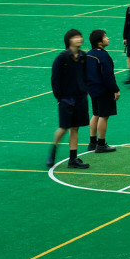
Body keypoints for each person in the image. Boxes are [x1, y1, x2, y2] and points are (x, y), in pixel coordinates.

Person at [47, 29, 91, 169]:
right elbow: (55, 79)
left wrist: (85, 90)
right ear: (69, 40)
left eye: (80, 36)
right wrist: (60, 98)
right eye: (76, 37)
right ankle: (53, 150)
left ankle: (73, 159)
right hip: (66, 99)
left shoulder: (83, 56)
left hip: (80, 97)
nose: (79, 39)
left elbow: (85, 75)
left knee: (75, 128)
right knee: (64, 127)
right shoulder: (62, 58)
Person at [85, 29, 120, 154]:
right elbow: (108, 76)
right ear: (99, 42)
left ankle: (92, 142)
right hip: (103, 90)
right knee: (104, 116)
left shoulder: (88, 54)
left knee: (95, 114)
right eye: (105, 37)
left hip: (92, 90)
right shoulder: (104, 56)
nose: (108, 38)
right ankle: (101, 143)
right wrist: (115, 90)